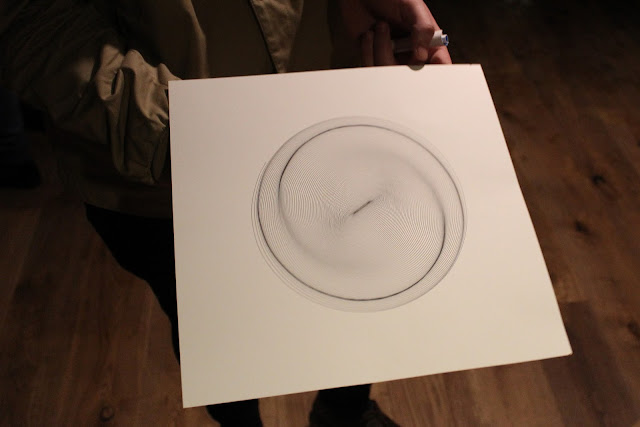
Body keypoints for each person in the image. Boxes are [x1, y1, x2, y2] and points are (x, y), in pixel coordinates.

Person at [0, 0, 451, 425]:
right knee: (216, 334)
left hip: (336, 117)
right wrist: (166, 132)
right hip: (169, 172)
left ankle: (344, 413)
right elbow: (33, 17)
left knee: (363, 292)